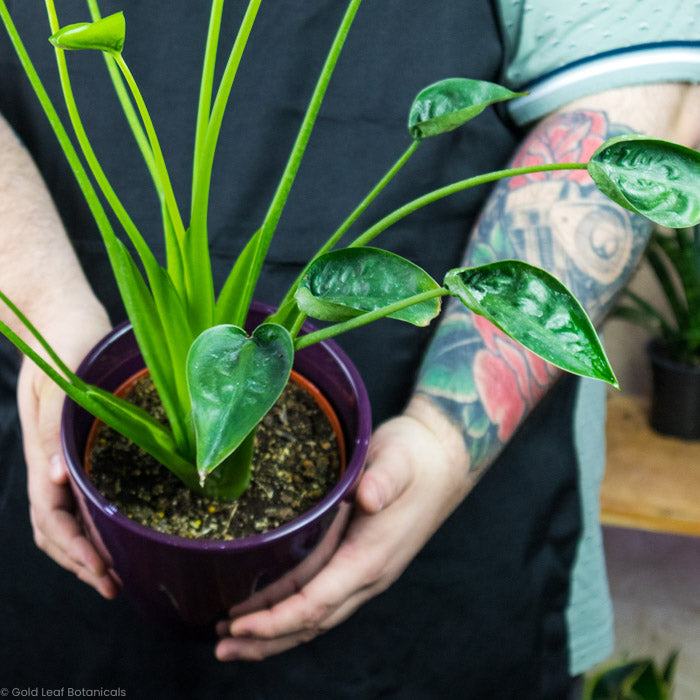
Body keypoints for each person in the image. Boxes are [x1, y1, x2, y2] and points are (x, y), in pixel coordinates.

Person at [1, 1, 698, 697]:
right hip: (67, 521)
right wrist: (45, 308)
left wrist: (442, 439)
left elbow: (631, 84)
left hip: (443, 533)